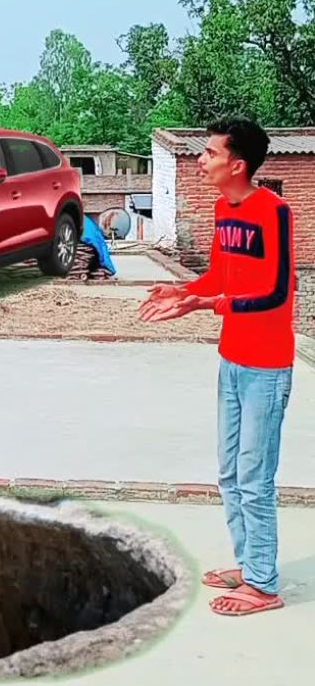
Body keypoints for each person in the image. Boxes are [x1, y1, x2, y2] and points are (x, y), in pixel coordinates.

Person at [140, 119, 295, 617]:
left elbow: (277, 293)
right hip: (232, 359)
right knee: (230, 473)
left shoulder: (274, 211)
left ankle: (263, 586)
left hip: (266, 368)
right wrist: (183, 290)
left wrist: (209, 305)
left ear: (238, 164)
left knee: (255, 477)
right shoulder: (223, 210)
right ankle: (249, 566)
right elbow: (219, 275)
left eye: (210, 153)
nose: (201, 160)